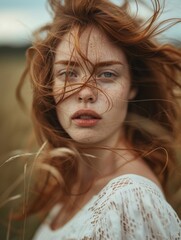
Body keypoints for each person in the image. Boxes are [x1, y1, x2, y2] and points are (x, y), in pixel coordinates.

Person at [16, 0, 181, 239]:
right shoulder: (72, 182)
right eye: (68, 73)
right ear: (50, 85)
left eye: (107, 74)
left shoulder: (131, 200)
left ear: (132, 87)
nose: (86, 92)